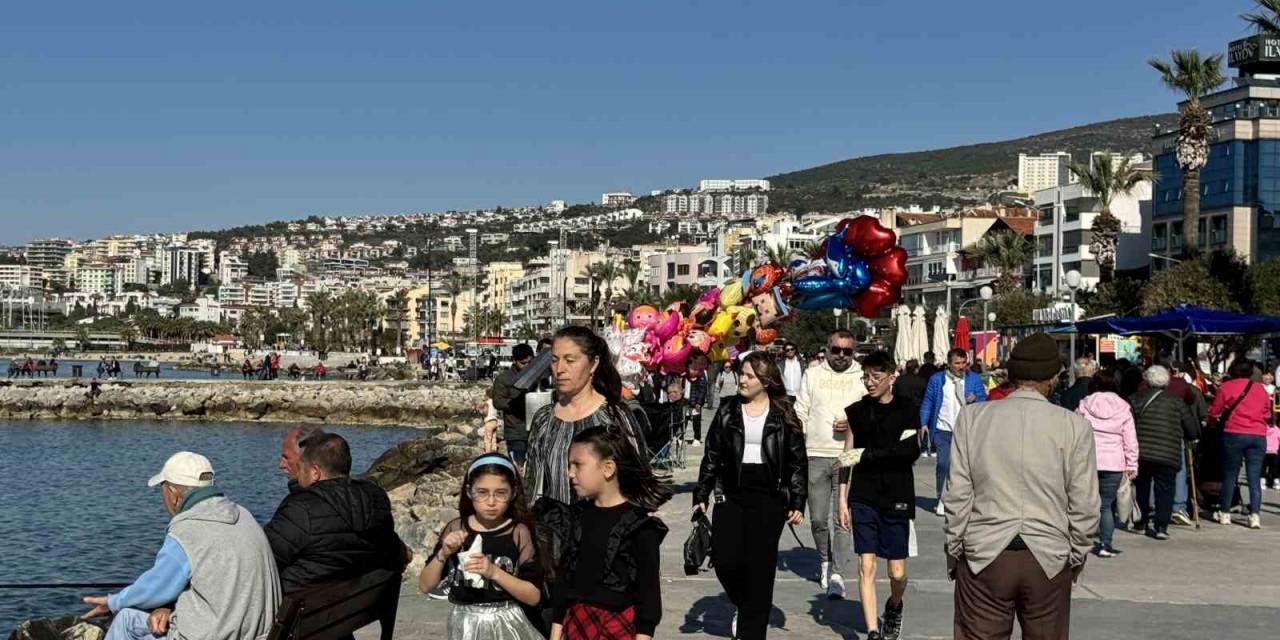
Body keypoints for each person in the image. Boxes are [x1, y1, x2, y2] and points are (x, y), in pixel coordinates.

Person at [944, 333, 1098, 640]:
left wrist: (955, 548)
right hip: (1048, 556)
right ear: (1053, 378)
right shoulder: (1074, 426)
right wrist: (1076, 555)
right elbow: (1084, 503)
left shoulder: (973, 418)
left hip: (985, 553)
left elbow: (958, 493)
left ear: (1011, 375)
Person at [83, 452, 280, 640]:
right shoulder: (244, 515)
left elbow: (155, 587)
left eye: (162, 488)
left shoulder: (187, 530)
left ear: (174, 493)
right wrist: (167, 607)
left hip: (214, 634)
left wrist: (112, 602)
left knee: (125, 619)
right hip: (258, 633)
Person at [694, 351, 807, 640]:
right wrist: (701, 493)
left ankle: (751, 629)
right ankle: (749, 605)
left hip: (769, 497)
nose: (742, 380)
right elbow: (712, 454)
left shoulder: (783, 413)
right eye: (741, 374)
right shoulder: (728, 409)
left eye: (749, 376)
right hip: (731, 493)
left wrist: (797, 500)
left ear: (766, 381)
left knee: (760, 566)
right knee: (724, 558)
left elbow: (796, 461)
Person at [548, 427, 670, 640]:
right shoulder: (575, 519)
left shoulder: (639, 527)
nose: (570, 473)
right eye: (569, 466)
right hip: (576, 624)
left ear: (608, 468)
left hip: (618, 627)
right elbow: (563, 587)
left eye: (578, 465)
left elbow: (648, 596)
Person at [837, 351, 919, 640]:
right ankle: (872, 631)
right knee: (866, 565)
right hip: (864, 495)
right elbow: (847, 458)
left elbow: (909, 452)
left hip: (898, 493)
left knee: (897, 573)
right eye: (865, 377)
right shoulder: (856, 412)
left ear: (891, 377)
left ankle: (895, 605)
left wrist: (867, 455)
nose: (869, 383)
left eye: (875, 377)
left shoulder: (908, 409)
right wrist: (842, 500)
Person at [419, 453, 545, 640]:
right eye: (482, 492)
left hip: (507, 623)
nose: (491, 502)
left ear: (513, 492)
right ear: (469, 492)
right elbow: (425, 585)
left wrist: (494, 572)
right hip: (465, 624)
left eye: (500, 493)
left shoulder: (519, 532)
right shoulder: (456, 528)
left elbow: (534, 596)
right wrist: (443, 555)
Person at [264, 433, 408, 595]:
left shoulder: (301, 508)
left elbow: (263, 561)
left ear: (314, 472)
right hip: (354, 607)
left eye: (302, 468)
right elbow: (395, 552)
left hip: (301, 612)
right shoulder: (376, 499)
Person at [524, 326, 646, 507]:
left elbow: (638, 481)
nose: (559, 369)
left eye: (570, 360)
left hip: (604, 530)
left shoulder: (615, 416)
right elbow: (531, 486)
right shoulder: (543, 419)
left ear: (593, 364)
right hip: (555, 529)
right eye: (555, 360)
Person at [794, 329, 866, 599]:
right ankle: (824, 560)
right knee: (818, 519)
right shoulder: (812, 375)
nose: (841, 356)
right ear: (827, 349)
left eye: (847, 351)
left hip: (849, 455)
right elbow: (800, 411)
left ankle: (837, 573)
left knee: (843, 518)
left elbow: (870, 412)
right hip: (815, 452)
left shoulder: (861, 376)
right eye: (836, 350)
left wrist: (853, 423)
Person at [1128, 365, 1200, 539]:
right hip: (1169, 453)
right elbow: (1192, 428)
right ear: (1166, 382)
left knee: (1142, 487)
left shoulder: (1135, 399)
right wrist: (1192, 435)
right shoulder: (1176, 401)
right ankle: (1161, 527)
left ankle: (1142, 520)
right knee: (1165, 490)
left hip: (1142, 452)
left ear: (1147, 380)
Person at [1075, 368, 1138, 557]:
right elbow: (1130, 439)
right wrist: (1132, 464)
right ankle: (1105, 544)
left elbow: (1075, 432)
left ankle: (1080, 540)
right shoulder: (1123, 407)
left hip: (1088, 460)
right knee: (1106, 506)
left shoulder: (1085, 404)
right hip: (1114, 463)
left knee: (1086, 503)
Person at [920, 348, 987, 515]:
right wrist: (923, 423)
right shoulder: (937, 380)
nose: (961, 366)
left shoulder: (973, 379)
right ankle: (941, 498)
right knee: (943, 464)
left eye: (964, 363)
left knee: (964, 468)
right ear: (949, 364)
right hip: (943, 429)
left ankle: (961, 499)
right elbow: (928, 401)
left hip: (965, 430)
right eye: (957, 363)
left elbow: (983, 399)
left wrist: (975, 399)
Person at [1209, 357, 1273, 529]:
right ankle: (1255, 515)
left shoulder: (1225, 387)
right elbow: (1267, 414)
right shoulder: (1261, 389)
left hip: (1234, 433)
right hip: (1257, 435)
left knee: (1230, 474)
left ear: (1232, 370)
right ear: (1251, 371)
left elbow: (1214, 411)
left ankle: (1225, 513)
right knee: (1254, 476)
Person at [491, 343, 536, 466]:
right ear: (514, 361)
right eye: (523, 363)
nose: (527, 366)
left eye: (529, 363)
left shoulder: (537, 375)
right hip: (516, 432)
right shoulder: (504, 378)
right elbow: (498, 401)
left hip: (536, 431)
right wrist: (517, 403)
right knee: (518, 468)